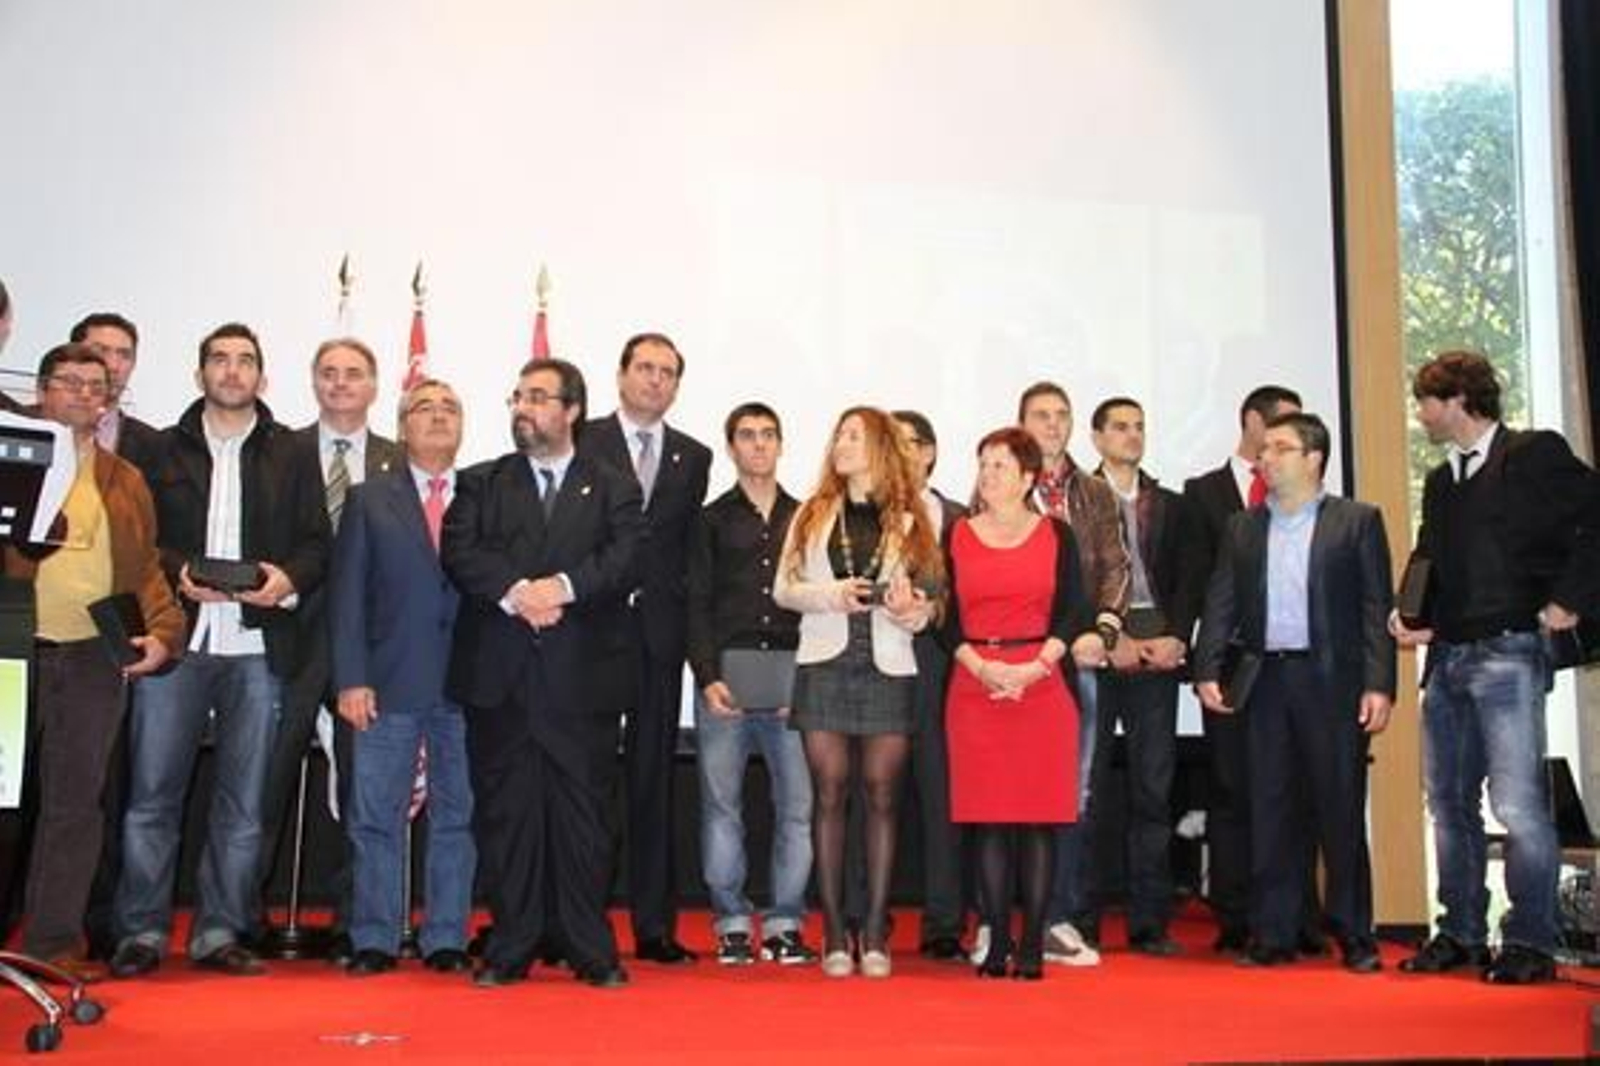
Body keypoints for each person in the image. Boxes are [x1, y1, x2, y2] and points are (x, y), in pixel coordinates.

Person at [110, 322, 330, 978]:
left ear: (262, 377)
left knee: (244, 801)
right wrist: (177, 572)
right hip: (177, 642)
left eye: (245, 362)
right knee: (152, 795)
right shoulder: (160, 449)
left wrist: (286, 580)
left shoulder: (292, 452)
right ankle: (141, 932)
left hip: (258, 650)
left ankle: (219, 931)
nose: (232, 371)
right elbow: (137, 537)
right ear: (200, 372)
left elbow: (317, 542)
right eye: (219, 360)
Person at [1391, 350, 1600, 986]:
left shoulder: (1534, 454)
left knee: (1517, 804)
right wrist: (1409, 614)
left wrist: (1570, 599)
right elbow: (1429, 557)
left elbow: (1595, 519)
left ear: (1457, 400)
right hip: (1449, 655)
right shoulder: (1441, 479)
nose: (1421, 412)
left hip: (1510, 650)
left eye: (1425, 400)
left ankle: (1530, 941)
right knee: (1448, 802)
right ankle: (1459, 932)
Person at [443, 357, 643, 990]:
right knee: (507, 818)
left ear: (571, 410)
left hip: (582, 681)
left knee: (585, 820)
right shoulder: (481, 480)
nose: (522, 409)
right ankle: (510, 946)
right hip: (501, 679)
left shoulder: (613, 484)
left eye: (538, 397)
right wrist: (514, 593)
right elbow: (461, 551)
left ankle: (590, 948)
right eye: (518, 397)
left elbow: (626, 558)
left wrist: (559, 588)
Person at [2, 344, 183, 981]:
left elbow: (145, 572)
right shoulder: (10, 459)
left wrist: (162, 633)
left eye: (94, 385)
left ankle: (51, 946)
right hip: (9, 655)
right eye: (68, 382)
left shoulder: (124, 479)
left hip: (88, 660)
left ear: (108, 400)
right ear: (43, 390)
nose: (81, 393)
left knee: (76, 807)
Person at [1193, 412, 1394, 973]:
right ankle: (1273, 933)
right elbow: (1221, 602)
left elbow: (1376, 609)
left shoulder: (1356, 522)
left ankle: (1356, 934)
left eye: (1280, 448)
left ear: (1314, 458)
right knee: (1270, 808)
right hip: (1265, 682)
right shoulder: (1243, 527)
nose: (1266, 457)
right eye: (1264, 449)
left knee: (1339, 810)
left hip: (1331, 682)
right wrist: (1207, 667)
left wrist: (1380, 683)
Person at [773, 406, 940, 979]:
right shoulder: (812, 513)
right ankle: (835, 934)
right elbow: (784, 590)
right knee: (829, 795)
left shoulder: (913, 517)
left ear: (879, 448)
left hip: (888, 662)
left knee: (883, 796)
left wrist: (912, 610)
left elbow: (933, 602)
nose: (841, 443)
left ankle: (874, 930)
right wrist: (831, 595)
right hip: (824, 661)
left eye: (853, 435)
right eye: (838, 433)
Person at [258, 337, 400, 962]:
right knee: (263, 784)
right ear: (313, 383)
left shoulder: (400, 460)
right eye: (329, 374)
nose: (341, 384)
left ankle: (355, 921)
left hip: (371, 650)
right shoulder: (278, 452)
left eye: (354, 374)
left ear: (374, 386)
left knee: (363, 790)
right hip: (291, 637)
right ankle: (238, 921)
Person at [942, 427, 1097, 979]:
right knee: (988, 823)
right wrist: (984, 668)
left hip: (1042, 683)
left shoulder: (1057, 534)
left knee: (1036, 822)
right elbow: (945, 619)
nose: (988, 474)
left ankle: (1032, 942)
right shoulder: (956, 533)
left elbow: (1074, 608)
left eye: (1001, 466)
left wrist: (1035, 667)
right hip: (974, 683)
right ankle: (998, 942)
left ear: (1029, 477)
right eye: (983, 464)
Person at [331, 379, 474, 976]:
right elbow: (347, 596)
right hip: (388, 682)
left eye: (450, 407)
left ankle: (445, 938)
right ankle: (375, 937)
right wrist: (351, 678)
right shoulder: (370, 499)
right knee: (375, 815)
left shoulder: (484, 493)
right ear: (402, 425)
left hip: (468, 684)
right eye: (424, 408)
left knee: (457, 815)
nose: (438, 417)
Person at [581, 332, 711, 965]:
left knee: (653, 782)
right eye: (646, 368)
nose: (656, 380)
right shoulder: (584, 440)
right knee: (589, 783)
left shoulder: (694, 456)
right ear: (622, 374)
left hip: (659, 640)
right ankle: (582, 920)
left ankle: (655, 928)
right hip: (593, 636)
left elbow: (687, 554)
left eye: (668, 372)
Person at [1181, 384, 1324, 954]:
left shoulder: (1316, 499)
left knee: (1300, 793)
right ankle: (1238, 913)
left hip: (1303, 668)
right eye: (1284, 430)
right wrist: (1200, 661)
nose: (1284, 449)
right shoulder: (1204, 494)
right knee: (1236, 790)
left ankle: (1302, 917)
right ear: (1253, 423)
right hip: (1237, 666)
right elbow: (1200, 583)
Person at [685, 402, 815, 966]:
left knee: (797, 807)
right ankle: (732, 922)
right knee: (722, 806)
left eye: (768, 435)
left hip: (794, 677)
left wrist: (808, 682)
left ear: (782, 445)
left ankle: (786, 922)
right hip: (727, 680)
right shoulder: (710, 520)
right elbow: (696, 605)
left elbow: (822, 608)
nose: (759, 445)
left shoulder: (810, 518)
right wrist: (708, 677)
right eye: (747, 436)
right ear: (732, 447)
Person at [1088, 397, 1205, 955]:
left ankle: (1149, 919)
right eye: (1120, 427)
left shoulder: (1172, 505)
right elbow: (1072, 583)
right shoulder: (1076, 501)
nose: (1132, 436)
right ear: (1096, 437)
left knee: (1152, 790)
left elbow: (1190, 579)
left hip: (1159, 650)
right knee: (1085, 788)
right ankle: (1080, 916)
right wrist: (1114, 643)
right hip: (1098, 649)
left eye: (1139, 427)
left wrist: (1177, 636)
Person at [1016, 381, 1127, 965]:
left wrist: (1102, 631)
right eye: (1041, 415)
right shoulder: (999, 485)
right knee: (1010, 792)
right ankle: (1001, 918)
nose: (1053, 425)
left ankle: (1059, 914)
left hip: (1077, 658)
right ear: (1022, 423)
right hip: (1014, 660)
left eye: (1062, 415)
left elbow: (1116, 570)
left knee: (1073, 791)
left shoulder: (1097, 494)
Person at [887, 410, 969, 960]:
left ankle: (944, 923)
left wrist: (936, 608)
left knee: (944, 801)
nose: (906, 453)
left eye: (915, 443)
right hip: (875, 670)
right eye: (894, 444)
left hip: (941, 671)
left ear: (932, 452)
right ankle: (865, 918)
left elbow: (972, 599)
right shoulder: (861, 514)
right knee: (871, 801)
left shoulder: (963, 519)